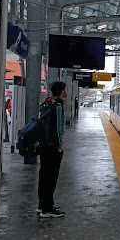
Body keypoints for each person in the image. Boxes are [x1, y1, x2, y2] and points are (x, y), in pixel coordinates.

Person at [37, 81, 66, 218]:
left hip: (43, 146)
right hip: (52, 148)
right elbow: (57, 129)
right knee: (50, 178)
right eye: (65, 89)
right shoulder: (57, 106)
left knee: (44, 176)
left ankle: (42, 205)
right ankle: (47, 209)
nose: (66, 91)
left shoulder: (46, 103)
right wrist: (59, 146)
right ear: (61, 91)